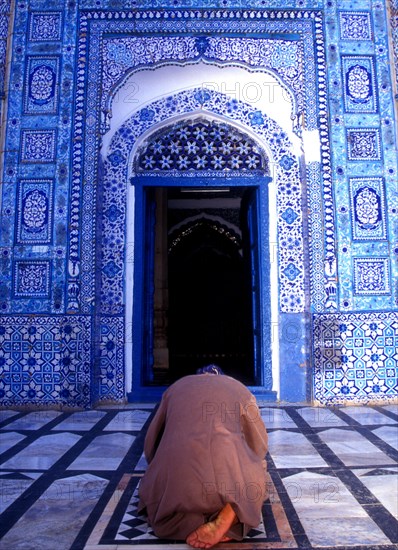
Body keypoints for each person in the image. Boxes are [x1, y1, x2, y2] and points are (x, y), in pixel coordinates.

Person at [138, 365, 268, 548]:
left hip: (175, 492)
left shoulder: (175, 388)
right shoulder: (238, 388)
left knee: (156, 484)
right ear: (223, 376)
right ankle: (229, 514)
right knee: (258, 470)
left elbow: (151, 445)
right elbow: (259, 445)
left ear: (197, 375)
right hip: (226, 487)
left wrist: (157, 466)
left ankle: (191, 519)